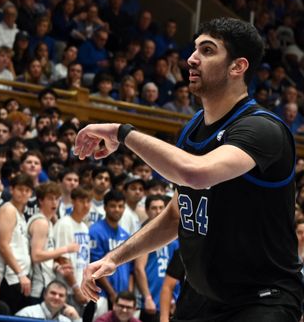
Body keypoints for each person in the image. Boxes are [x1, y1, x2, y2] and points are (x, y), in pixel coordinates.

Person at [75, 18, 304, 321]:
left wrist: (122, 132)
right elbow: (177, 212)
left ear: (238, 67)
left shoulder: (263, 129)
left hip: (260, 301)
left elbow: (195, 173)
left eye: (207, 51)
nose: (191, 59)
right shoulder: (192, 130)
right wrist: (114, 258)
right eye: (194, 49)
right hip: (199, 300)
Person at [0, 172, 34, 313]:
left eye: (27, 190)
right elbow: (3, 245)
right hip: (9, 276)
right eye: (20, 189)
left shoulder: (20, 213)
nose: (23, 193)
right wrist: (20, 273)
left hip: (17, 275)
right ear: (11, 189)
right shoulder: (8, 210)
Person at [134, 195, 178, 322]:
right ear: (147, 211)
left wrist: (174, 297)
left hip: (169, 298)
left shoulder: (173, 234)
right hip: (151, 300)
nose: (158, 211)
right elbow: (139, 269)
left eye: (161, 208)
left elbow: (175, 271)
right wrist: (147, 298)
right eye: (154, 208)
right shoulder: (145, 235)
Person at [89, 190, 132, 315]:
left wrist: (127, 294)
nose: (117, 209)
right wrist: (112, 294)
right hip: (101, 295)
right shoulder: (95, 231)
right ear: (105, 207)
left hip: (122, 296)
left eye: (120, 206)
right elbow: (96, 266)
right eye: (113, 206)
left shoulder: (125, 234)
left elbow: (131, 269)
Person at [15, 279, 81, 321]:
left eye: (61, 295)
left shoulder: (65, 321)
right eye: (53, 293)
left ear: (65, 300)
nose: (57, 297)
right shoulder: (27, 314)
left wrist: (76, 319)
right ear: (44, 295)